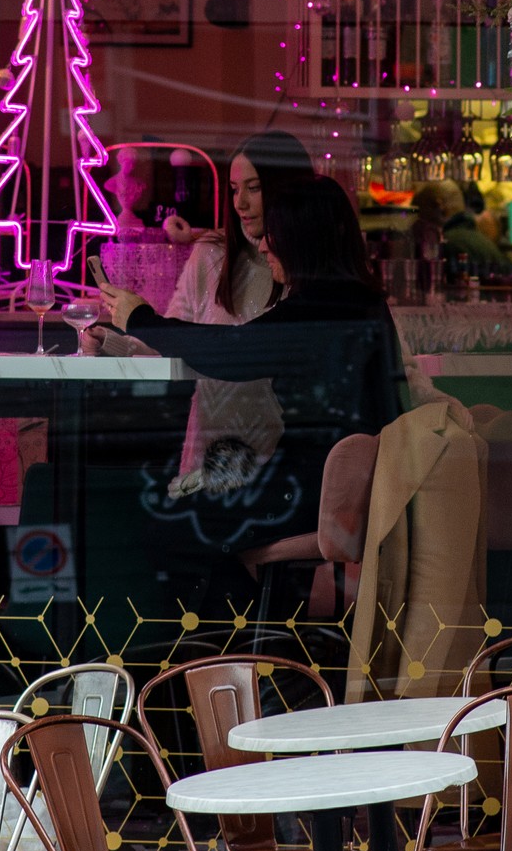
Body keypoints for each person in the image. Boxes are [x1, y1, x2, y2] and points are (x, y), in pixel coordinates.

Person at [96, 176, 409, 568]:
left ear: (300, 240)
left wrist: (140, 319)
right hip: (345, 495)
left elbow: (229, 352)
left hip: (306, 497)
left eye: (273, 236)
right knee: (183, 514)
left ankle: (237, 610)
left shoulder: (313, 314)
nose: (262, 246)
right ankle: (262, 605)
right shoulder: (363, 303)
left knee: (158, 527)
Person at [161, 129, 314, 325]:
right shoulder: (211, 252)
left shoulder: (311, 266)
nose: (240, 203)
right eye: (234, 190)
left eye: (253, 188)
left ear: (286, 189)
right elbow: (170, 333)